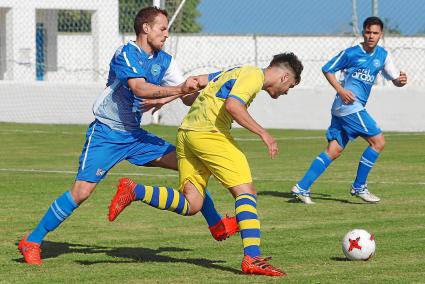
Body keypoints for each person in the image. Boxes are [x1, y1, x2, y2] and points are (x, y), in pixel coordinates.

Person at [18, 7, 239, 265]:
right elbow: (140, 88)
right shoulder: (126, 53)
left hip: (136, 137)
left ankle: (216, 225)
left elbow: (188, 97)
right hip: (107, 133)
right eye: (162, 28)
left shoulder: (165, 60)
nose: (167, 34)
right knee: (81, 192)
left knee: (190, 165)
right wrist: (176, 90)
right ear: (146, 28)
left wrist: (210, 85)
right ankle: (32, 241)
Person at [108, 53, 304, 276]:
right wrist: (264, 134)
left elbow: (196, 82)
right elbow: (233, 106)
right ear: (285, 76)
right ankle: (252, 258)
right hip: (210, 133)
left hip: (187, 133)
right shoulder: (253, 75)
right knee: (246, 191)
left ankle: (135, 191)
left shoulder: (236, 71)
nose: (287, 91)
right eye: (291, 85)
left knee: (192, 204)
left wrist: (165, 98)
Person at [291, 16, 407, 205]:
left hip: (347, 109)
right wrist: (341, 90)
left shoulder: (383, 56)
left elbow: (395, 79)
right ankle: (359, 187)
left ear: (381, 35)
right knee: (378, 141)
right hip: (348, 106)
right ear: (363, 33)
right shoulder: (352, 53)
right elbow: (327, 69)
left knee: (333, 150)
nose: (371, 36)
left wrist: (400, 81)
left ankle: (302, 187)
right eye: (368, 32)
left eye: (375, 33)